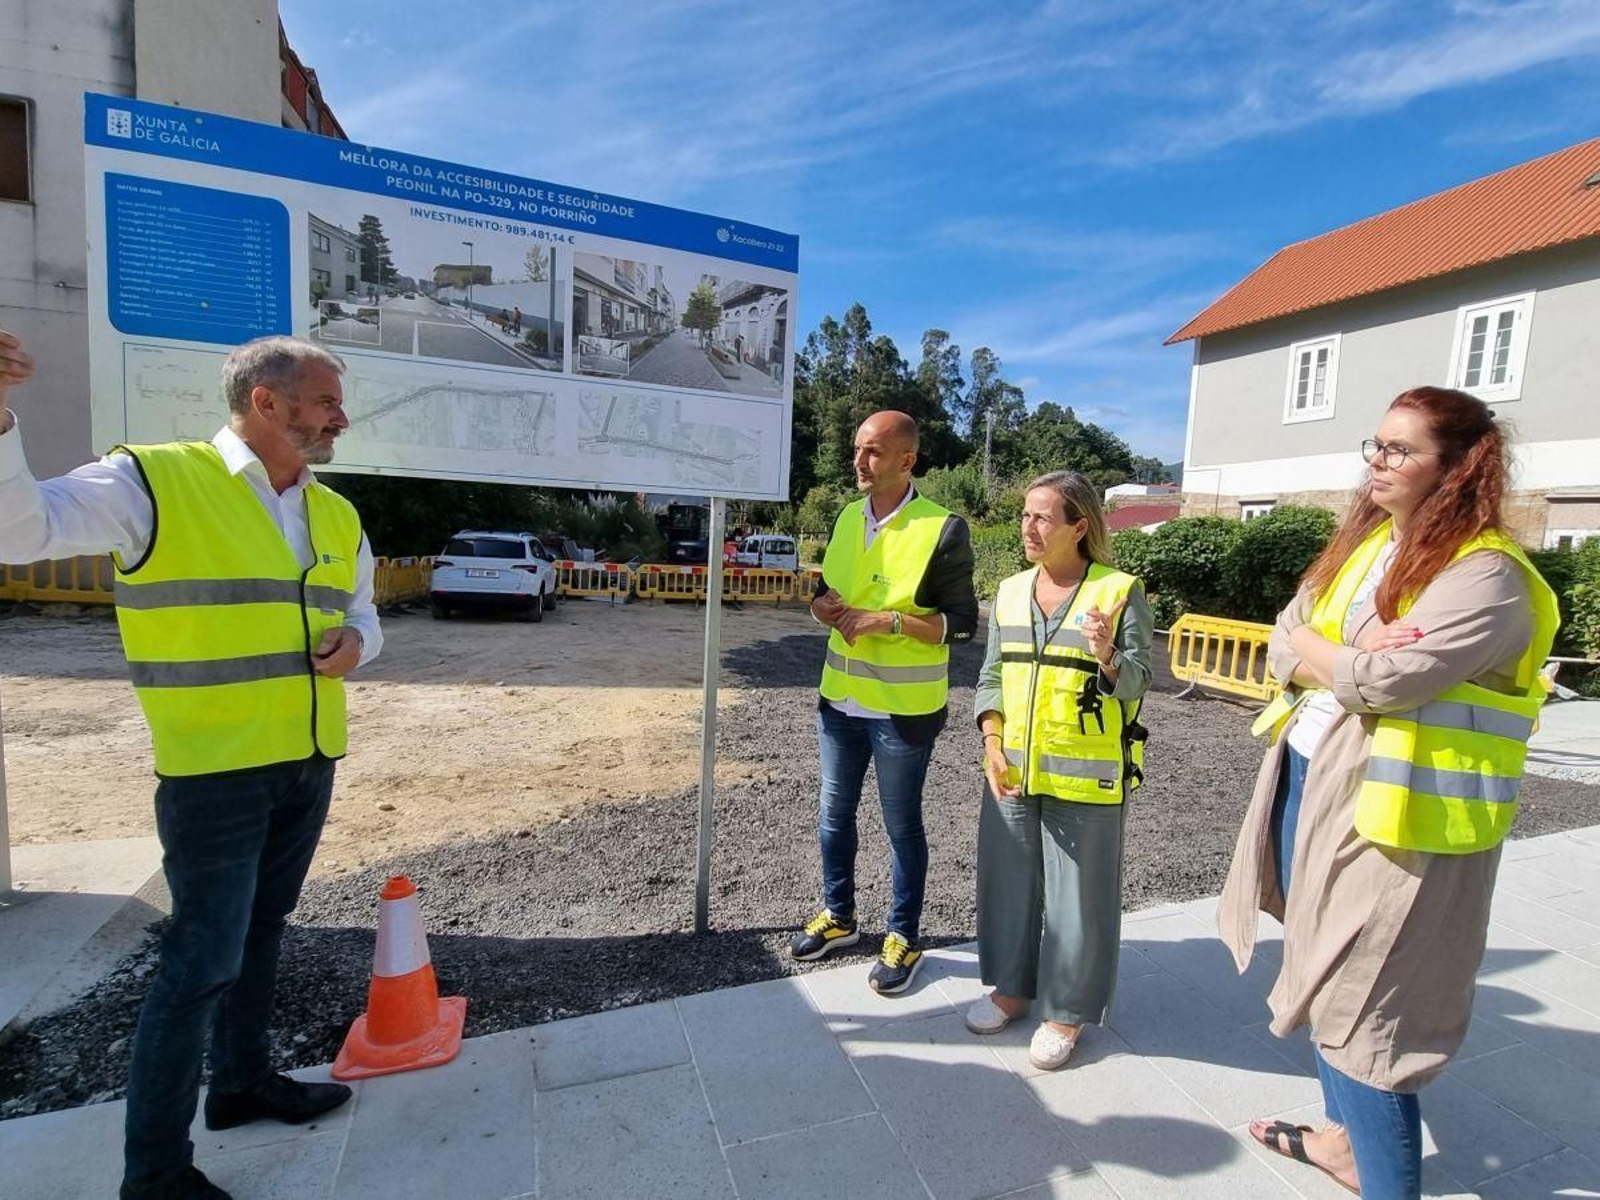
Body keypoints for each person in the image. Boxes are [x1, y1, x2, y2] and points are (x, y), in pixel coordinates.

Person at [0, 330, 384, 1200]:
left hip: (308, 760)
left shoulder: (334, 511)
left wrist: (360, 639)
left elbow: (364, 609)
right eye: (326, 403)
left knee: (261, 933)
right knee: (198, 962)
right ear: (268, 402)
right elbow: (17, 530)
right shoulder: (153, 480)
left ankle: (242, 1086)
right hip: (214, 773)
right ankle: (156, 1175)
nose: (341, 419)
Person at [1220, 387, 1559, 1199]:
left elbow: (1387, 678)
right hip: (1312, 779)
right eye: (1374, 446)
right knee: (1326, 978)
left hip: (1406, 819)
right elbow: (1286, 638)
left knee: (1371, 1018)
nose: (1377, 463)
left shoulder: (1487, 576)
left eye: (1399, 450)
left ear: (1458, 467)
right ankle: (1344, 1145)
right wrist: (1327, 650)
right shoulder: (1369, 544)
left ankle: (1383, 1179)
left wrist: (1330, 654)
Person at [965, 471, 1152, 1069]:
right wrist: (991, 741)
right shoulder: (1011, 589)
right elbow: (992, 674)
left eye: (1043, 517)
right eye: (1025, 515)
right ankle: (1012, 992)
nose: (1029, 526)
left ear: (1080, 526)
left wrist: (1107, 655)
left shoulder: (1120, 591)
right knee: (1009, 886)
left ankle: (1066, 1011)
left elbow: (1141, 682)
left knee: (1078, 902)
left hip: (1087, 776)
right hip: (1012, 770)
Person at [792, 411, 977, 994]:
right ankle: (841, 917)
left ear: (906, 459)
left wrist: (891, 620)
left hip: (902, 713)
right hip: (839, 701)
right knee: (832, 816)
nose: (859, 461)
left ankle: (904, 937)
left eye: (872, 451)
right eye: (857, 449)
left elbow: (964, 626)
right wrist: (819, 607)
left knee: (901, 827)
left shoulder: (943, 528)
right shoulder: (847, 516)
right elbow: (827, 593)